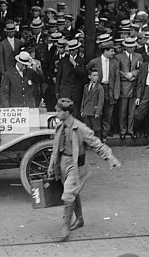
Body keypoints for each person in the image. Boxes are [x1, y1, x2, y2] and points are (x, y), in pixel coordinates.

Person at [47, 98, 121, 241]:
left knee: (68, 194)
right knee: (73, 191)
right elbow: (55, 150)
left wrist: (110, 158)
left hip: (76, 166)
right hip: (62, 163)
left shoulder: (81, 128)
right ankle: (79, 219)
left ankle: (65, 228)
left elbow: (97, 144)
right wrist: (51, 166)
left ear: (67, 112)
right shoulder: (60, 127)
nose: (56, 114)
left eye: (58, 111)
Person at [85, 41, 120, 143]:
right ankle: (96, 135)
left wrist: (116, 93)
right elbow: (87, 70)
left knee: (108, 114)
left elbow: (117, 78)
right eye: (111, 51)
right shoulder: (95, 62)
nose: (113, 53)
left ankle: (104, 135)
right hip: (98, 89)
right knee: (97, 113)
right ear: (105, 51)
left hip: (109, 89)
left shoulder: (114, 63)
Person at [116, 37, 140, 139]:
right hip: (124, 86)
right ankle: (123, 130)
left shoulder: (138, 56)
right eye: (130, 47)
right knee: (123, 111)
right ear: (125, 47)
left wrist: (132, 74)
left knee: (132, 111)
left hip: (134, 86)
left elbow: (140, 69)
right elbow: (117, 70)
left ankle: (130, 130)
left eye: (133, 46)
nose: (132, 48)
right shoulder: (119, 57)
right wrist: (126, 75)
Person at [80, 68, 104, 138]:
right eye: (94, 75)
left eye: (97, 75)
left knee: (96, 128)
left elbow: (101, 100)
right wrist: (82, 110)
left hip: (94, 110)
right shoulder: (86, 87)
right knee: (87, 128)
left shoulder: (100, 88)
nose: (96, 77)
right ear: (89, 77)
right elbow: (83, 99)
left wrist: (98, 112)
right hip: (87, 110)